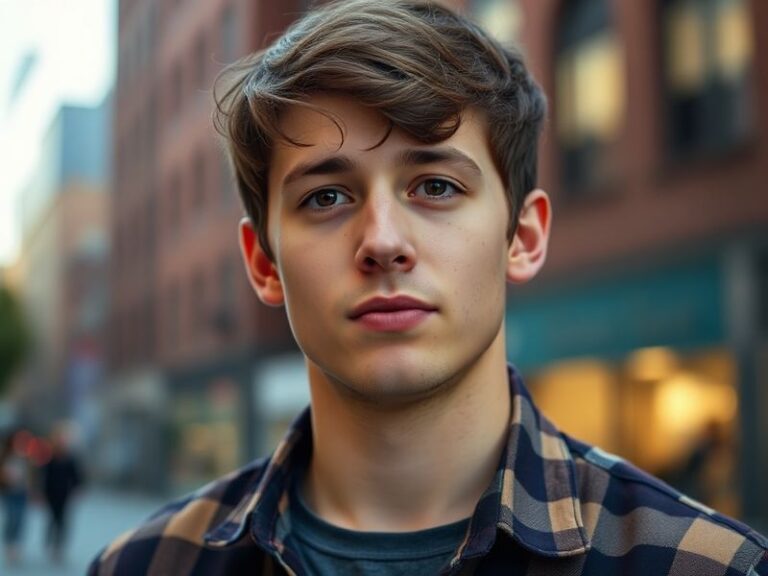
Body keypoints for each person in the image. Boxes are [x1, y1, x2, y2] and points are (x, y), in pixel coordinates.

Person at [89, 1, 768, 574]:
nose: (383, 240)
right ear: (263, 264)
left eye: (436, 186)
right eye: (326, 197)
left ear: (523, 237)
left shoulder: (706, 565)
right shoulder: (145, 564)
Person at [41, 425, 83, 563]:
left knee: (62, 521)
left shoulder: (70, 458)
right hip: (51, 494)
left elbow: (76, 476)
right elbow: (45, 476)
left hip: (64, 494)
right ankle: (50, 544)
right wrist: (41, 493)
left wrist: (78, 488)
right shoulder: (50, 458)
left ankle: (59, 548)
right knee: (52, 520)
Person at [0, 431, 31, 567]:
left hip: (22, 492)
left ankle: (16, 545)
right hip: (9, 492)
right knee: (12, 517)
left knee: (20, 519)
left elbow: (32, 475)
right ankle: (9, 544)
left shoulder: (26, 458)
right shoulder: (6, 456)